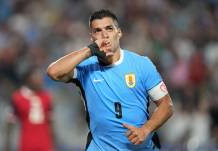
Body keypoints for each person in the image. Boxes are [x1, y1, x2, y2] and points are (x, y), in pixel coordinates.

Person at [47, 9, 173, 151]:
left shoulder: (141, 64)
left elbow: (166, 105)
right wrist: (89, 50)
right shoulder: (86, 67)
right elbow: (53, 72)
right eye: (98, 31)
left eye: (109, 28)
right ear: (92, 38)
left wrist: (145, 129)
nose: (104, 35)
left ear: (118, 32)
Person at [5, 67, 55, 151]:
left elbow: (51, 123)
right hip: (26, 144)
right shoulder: (17, 98)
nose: (41, 80)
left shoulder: (47, 97)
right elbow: (10, 123)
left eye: (41, 77)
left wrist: (53, 145)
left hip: (45, 144)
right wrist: (7, 145)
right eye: (37, 77)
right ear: (28, 79)